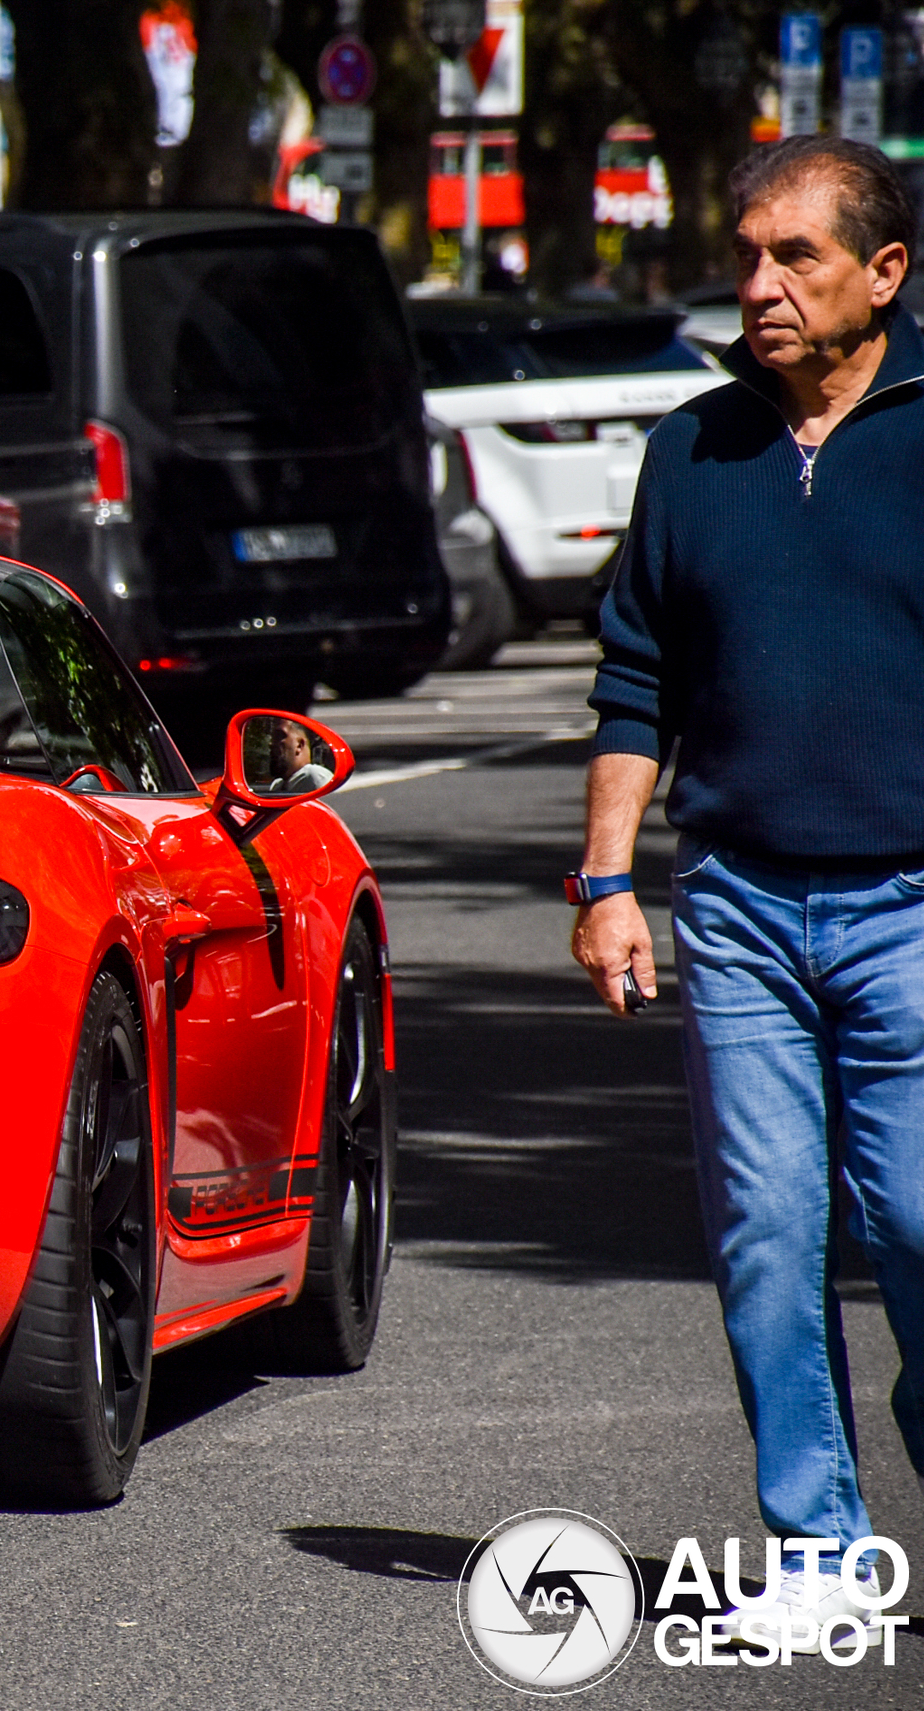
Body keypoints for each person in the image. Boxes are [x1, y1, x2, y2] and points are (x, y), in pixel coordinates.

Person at [572, 135, 924, 1646]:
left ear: (885, 274)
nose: (761, 283)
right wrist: (606, 877)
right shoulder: (693, 449)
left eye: (798, 257)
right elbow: (635, 676)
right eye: (749, 252)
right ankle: (820, 1552)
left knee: (917, 1222)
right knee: (770, 1235)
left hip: (916, 905)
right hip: (737, 909)